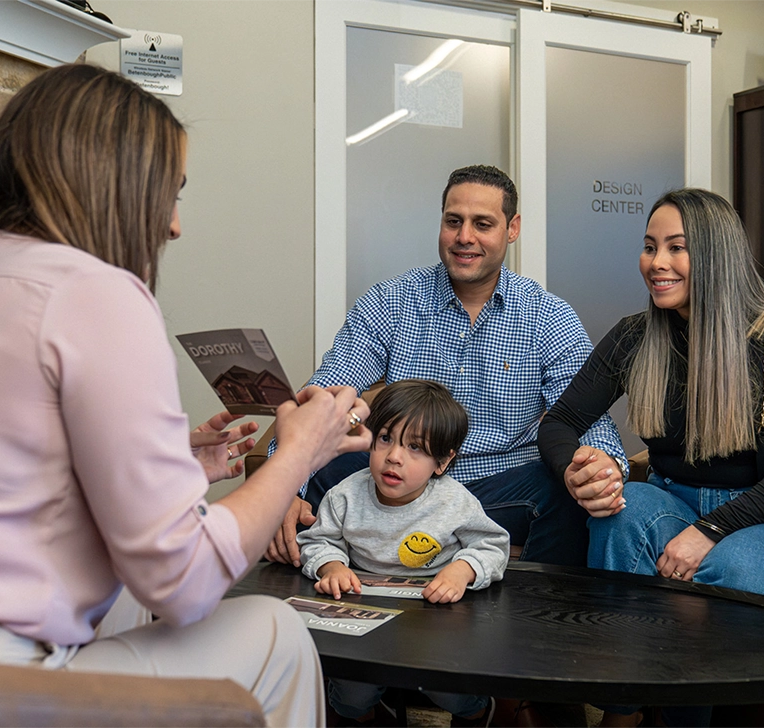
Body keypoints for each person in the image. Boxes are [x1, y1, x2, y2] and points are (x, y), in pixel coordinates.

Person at [0, 64, 373, 728]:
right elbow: (182, 583)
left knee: (121, 593)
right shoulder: (93, 291)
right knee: (277, 634)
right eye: (171, 192)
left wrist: (174, 460)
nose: (176, 225)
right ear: (118, 182)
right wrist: (300, 454)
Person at [538, 188, 764, 728]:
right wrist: (574, 468)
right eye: (650, 247)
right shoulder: (635, 335)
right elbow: (558, 423)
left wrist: (713, 529)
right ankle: (621, 711)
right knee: (617, 517)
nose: (657, 264)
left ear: (715, 253)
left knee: (726, 570)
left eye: (676, 248)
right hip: (673, 499)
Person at [268, 164, 626, 569]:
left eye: (482, 224)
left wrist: (604, 467)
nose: (464, 237)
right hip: (395, 489)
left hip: (497, 493)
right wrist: (281, 487)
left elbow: (585, 417)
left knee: (562, 487)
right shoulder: (391, 302)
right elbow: (326, 395)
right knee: (324, 461)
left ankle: (523, 618)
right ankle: (336, 601)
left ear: (512, 228)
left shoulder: (548, 317)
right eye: (453, 221)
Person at [298, 379, 509, 728]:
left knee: (450, 692)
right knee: (351, 696)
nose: (394, 456)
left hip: (435, 614)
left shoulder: (454, 502)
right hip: (364, 609)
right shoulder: (345, 495)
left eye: (416, 448)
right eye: (385, 439)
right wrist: (331, 566)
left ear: (442, 462)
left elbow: (493, 545)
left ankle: (475, 711)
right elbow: (317, 541)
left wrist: (461, 571)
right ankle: (365, 712)